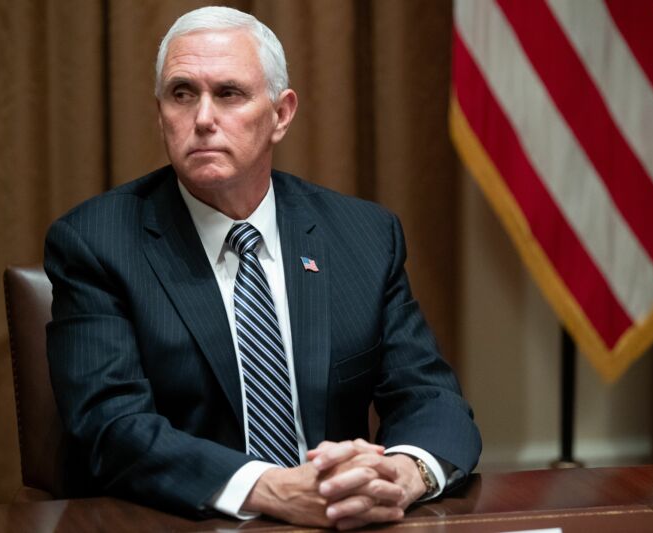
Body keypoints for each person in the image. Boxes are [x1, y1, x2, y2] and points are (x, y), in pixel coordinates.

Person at [44, 6, 481, 530]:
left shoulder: (363, 236)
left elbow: (428, 396)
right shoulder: (96, 242)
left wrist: (402, 475)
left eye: (229, 93)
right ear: (160, 112)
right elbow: (110, 427)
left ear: (281, 114)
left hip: (342, 521)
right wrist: (269, 487)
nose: (203, 118)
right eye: (182, 94)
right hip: (184, 520)